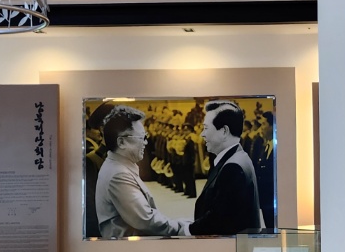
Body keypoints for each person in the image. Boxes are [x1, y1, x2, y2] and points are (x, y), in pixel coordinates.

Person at [94, 105, 189, 239]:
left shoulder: (120, 167)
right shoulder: (118, 174)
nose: (145, 143)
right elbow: (145, 220)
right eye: (141, 138)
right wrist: (182, 227)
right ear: (121, 142)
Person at [189, 99, 262, 236]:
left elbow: (219, 219)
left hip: (229, 246)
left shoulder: (233, 167)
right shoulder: (237, 157)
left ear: (224, 131)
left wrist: (187, 229)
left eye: (206, 128)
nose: (202, 134)